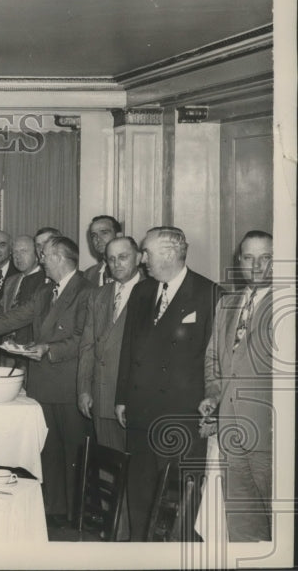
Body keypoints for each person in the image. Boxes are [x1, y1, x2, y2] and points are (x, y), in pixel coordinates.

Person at [0, 235, 92, 526]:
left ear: (59, 258)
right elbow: (17, 316)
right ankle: (53, 512)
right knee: (49, 452)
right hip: (42, 383)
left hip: (68, 385)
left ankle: (76, 518)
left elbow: (84, 337)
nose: (40, 260)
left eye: (44, 255)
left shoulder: (86, 290)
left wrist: (50, 348)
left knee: (73, 452)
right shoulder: (46, 291)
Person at [115, 226, 221, 541]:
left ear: (170, 253)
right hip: (140, 412)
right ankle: (139, 552)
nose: (141, 259)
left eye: (146, 252)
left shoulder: (210, 294)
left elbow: (215, 361)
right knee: (140, 492)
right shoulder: (142, 291)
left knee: (180, 501)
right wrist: (122, 397)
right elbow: (128, 348)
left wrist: (212, 408)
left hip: (182, 416)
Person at [199, 230, 274, 542]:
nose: (256, 265)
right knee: (241, 524)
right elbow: (214, 357)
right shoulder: (227, 303)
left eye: (266, 257)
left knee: (279, 522)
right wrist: (213, 393)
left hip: (270, 433)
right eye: (248, 257)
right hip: (230, 428)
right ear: (239, 261)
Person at [77, 236, 142, 451]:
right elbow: (87, 347)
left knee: (135, 471)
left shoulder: (151, 292)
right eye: (111, 258)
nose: (117, 264)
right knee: (108, 468)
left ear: (139, 257)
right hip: (101, 397)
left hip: (134, 400)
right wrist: (84, 389)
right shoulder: (98, 295)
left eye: (123, 257)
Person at [0, 235, 53, 359]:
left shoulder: (47, 281)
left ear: (37, 255)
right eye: (15, 252)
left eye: (23, 251)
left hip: (33, 352)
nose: (18, 256)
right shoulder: (11, 281)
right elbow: (4, 312)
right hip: (8, 350)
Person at [83, 215, 123, 287]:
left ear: (119, 236)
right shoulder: (88, 275)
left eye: (104, 233)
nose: (98, 239)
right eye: (94, 235)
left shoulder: (135, 270)